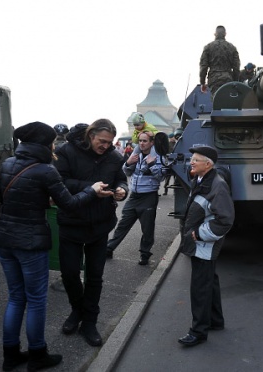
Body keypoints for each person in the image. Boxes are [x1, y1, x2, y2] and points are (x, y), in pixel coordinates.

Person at [0, 121, 107, 371]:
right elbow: (70, 204)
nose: (55, 144)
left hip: (4, 240)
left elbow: (8, 197)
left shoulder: (7, 164)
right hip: (30, 242)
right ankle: (37, 355)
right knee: (35, 300)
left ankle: (10, 354)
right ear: (45, 144)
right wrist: (92, 189)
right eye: (52, 141)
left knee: (15, 298)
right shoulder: (46, 170)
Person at [53, 119, 128, 347]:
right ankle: (77, 311)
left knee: (95, 277)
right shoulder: (66, 151)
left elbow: (120, 179)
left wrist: (122, 190)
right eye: (101, 141)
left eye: (109, 142)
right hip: (71, 223)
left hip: (100, 225)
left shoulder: (115, 157)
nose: (105, 146)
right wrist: (91, 188)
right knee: (69, 274)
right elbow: (60, 181)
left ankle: (90, 321)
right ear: (90, 135)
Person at [177, 145, 234, 347]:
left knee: (200, 287)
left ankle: (198, 331)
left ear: (207, 164)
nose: (191, 162)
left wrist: (199, 234)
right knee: (210, 280)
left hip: (204, 243)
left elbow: (225, 220)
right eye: (192, 158)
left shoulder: (217, 186)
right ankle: (215, 320)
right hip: (199, 242)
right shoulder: (201, 179)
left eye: (196, 160)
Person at [106, 131, 165, 264]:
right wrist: (127, 163)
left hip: (149, 196)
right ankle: (109, 248)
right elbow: (126, 172)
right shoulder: (135, 154)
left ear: (151, 142)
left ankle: (145, 254)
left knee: (147, 228)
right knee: (123, 224)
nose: (142, 144)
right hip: (134, 196)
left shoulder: (158, 157)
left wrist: (151, 165)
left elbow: (161, 177)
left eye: (145, 141)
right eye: (140, 141)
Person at [199, 25, 240, 97]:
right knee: (227, 102)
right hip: (228, 79)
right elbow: (236, 67)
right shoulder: (232, 48)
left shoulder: (208, 47)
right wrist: (235, 81)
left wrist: (202, 83)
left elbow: (203, 67)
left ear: (215, 34)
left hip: (214, 80)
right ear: (225, 34)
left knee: (216, 102)